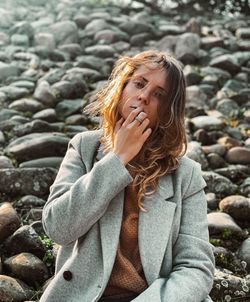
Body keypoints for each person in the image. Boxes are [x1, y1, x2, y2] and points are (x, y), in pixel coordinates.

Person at [40, 50, 215, 302]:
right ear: (122, 87)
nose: (143, 96)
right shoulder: (84, 148)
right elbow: (58, 228)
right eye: (139, 83)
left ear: (167, 111)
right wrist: (117, 159)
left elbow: (196, 267)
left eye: (158, 94)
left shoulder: (186, 175)